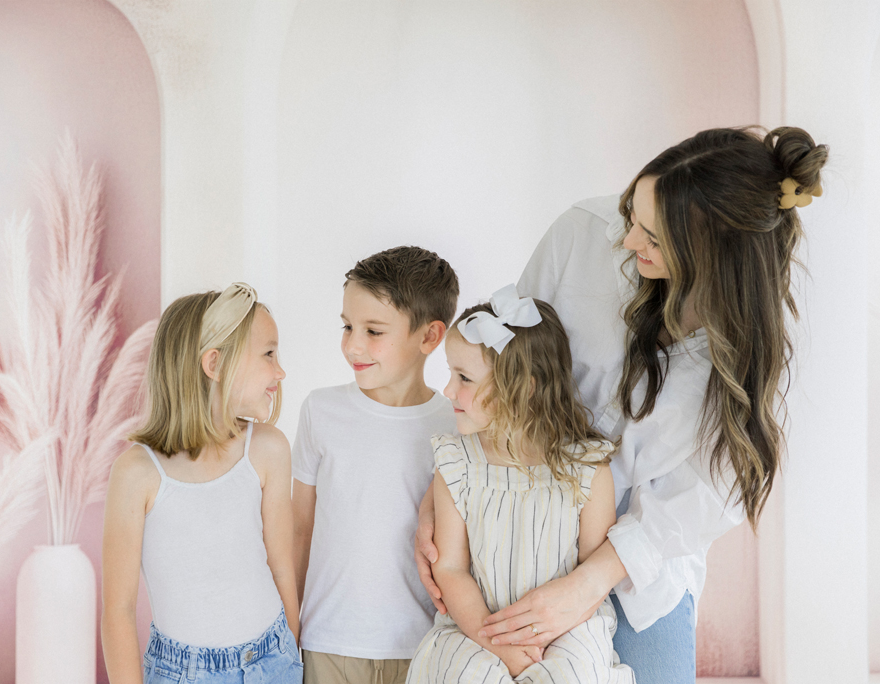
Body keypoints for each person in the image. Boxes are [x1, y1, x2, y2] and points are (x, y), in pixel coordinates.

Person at [415, 127, 829, 683]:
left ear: (715, 255)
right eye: (632, 214)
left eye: (654, 237)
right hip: (511, 518)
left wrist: (587, 583)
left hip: (636, 556)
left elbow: (704, 496)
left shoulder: (750, 349)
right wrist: (445, 496)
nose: (630, 240)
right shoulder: (581, 236)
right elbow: (499, 369)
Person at [407, 286, 636, 684]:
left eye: (463, 378)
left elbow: (591, 584)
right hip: (474, 623)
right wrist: (494, 640)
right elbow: (450, 568)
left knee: (575, 676)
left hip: (566, 628)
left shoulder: (587, 468)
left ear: (523, 389)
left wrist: (540, 642)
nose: (447, 391)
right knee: (459, 674)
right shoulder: (456, 464)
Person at [102, 283, 302, 684]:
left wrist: (291, 653)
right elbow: (118, 612)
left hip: (273, 659)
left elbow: (283, 568)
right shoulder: (136, 474)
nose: (280, 371)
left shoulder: (268, 450)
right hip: (181, 674)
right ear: (215, 364)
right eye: (268, 353)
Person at [292, 246, 459, 684]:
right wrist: (287, 626)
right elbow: (299, 530)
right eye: (347, 326)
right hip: (327, 643)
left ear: (429, 337)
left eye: (373, 330)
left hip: (423, 647)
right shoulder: (320, 411)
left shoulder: (455, 426)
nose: (353, 345)